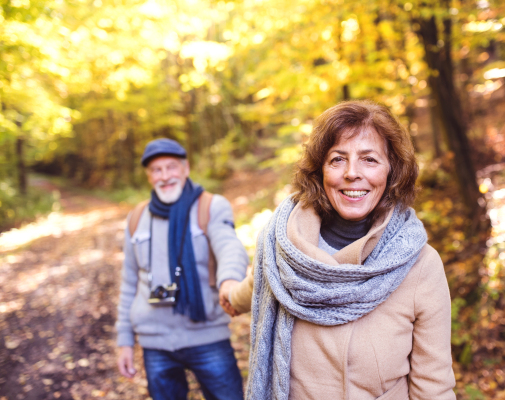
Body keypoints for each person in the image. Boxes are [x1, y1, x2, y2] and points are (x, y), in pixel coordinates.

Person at [220, 100, 456, 399]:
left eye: (369, 159)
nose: (352, 173)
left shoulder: (421, 266)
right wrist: (229, 296)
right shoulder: (281, 246)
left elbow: (434, 387)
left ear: (391, 171)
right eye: (337, 159)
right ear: (320, 171)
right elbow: (255, 285)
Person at [115, 138, 248, 400]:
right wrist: (125, 341)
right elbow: (129, 281)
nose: (165, 176)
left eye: (171, 167)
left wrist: (230, 281)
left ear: (185, 168)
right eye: (157, 170)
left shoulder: (210, 206)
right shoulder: (136, 218)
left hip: (207, 336)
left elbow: (229, 247)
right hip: (155, 343)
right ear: (149, 176)